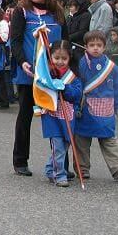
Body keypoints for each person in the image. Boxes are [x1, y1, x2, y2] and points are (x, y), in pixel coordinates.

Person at [10, 0, 67, 176]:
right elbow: (14, 41)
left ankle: (61, 164)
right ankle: (20, 161)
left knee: (59, 119)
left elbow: (65, 43)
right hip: (29, 74)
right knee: (25, 117)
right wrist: (22, 62)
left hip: (54, 76)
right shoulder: (22, 12)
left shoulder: (58, 13)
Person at [74, 31, 118, 180]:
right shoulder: (81, 64)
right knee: (81, 140)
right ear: (85, 47)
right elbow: (78, 84)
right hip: (86, 107)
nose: (95, 48)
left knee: (109, 139)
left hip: (106, 108)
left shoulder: (112, 67)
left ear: (104, 47)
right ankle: (82, 168)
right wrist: (75, 105)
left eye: (99, 45)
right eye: (92, 45)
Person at [36, 40, 82, 187]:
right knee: (57, 146)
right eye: (57, 58)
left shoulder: (73, 76)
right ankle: (59, 175)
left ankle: (51, 169)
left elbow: (77, 94)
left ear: (69, 58)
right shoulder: (46, 74)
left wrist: (65, 88)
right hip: (52, 116)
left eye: (64, 58)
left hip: (68, 116)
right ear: (51, 57)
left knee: (65, 145)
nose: (60, 61)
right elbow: (39, 91)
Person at [67, 0, 91, 65]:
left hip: (79, 46)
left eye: (72, 6)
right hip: (70, 45)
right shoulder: (70, 17)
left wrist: (68, 37)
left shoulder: (85, 15)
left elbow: (82, 31)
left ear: (78, 7)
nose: (70, 9)